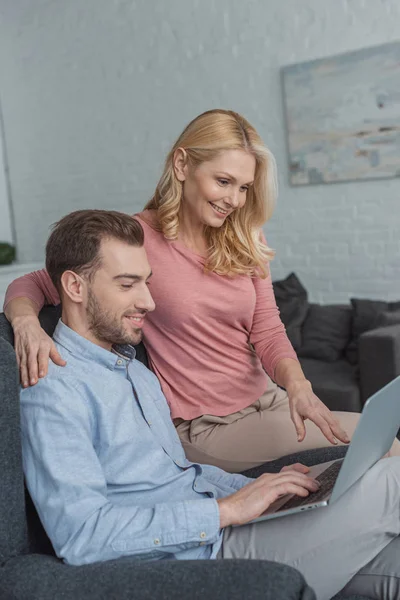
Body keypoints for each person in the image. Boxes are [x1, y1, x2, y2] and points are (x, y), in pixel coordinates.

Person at [19, 209, 400, 600]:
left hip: (223, 529)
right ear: (75, 287)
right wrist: (226, 512)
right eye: (128, 284)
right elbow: (81, 536)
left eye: (147, 283)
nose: (149, 302)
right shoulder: (53, 393)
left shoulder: (135, 372)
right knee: (394, 481)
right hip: (199, 558)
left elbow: (182, 475)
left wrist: (262, 489)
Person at [5, 109, 400, 472]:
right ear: (181, 165)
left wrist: (298, 385)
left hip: (268, 399)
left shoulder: (246, 235)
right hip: (206, 426)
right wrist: (25, 324)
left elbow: (266, 327)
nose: (234, 200)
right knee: (382, 446)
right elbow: (38, 282)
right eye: (224, 181)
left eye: (244, 187)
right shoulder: (135, 238)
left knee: (375, 459)